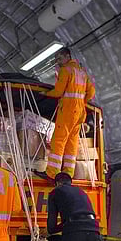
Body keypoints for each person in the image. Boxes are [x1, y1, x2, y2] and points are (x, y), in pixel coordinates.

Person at [34, 47, 95, 181]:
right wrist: (81, 102)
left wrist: (45, 94)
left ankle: (52, 173)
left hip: (68, 110)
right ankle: (68, 174)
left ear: (67, 57)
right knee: (72, 143)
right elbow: (91, 92)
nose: (58, 62)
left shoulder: (66, 70)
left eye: (60, 59)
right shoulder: (82, 72)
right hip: (79, 112)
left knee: (58, 141)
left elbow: (58, 91)